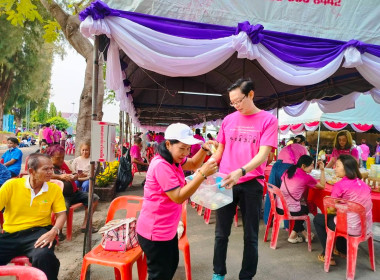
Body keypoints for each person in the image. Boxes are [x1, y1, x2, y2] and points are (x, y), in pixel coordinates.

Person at [210, 78, 278, 280]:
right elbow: (220, 150)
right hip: (225, 181)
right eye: (232, 102)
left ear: (251, 94)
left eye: (239, 100)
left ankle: (246, 275)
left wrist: (241, 171)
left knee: (251, 236)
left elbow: (263, 155)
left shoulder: (268, 120)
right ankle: (218, 273)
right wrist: (205, 168)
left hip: (251, 184)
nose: (236, 105)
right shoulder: (228, 120)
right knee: (221, 233)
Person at [136, 123, 217, 280]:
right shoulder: (162, 165)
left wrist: (204, 149)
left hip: (167, 229)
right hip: (155, 232)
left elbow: (193, 164)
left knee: (171, 265)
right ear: (168, 144)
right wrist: (202, 174)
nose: (185, 153)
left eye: (188, 148)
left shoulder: (173, 159)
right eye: (182, 148)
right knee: (160, 274)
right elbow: (178, 196)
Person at [0, 153, 66, 280]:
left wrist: (54, 231)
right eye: (46, 169)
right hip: (11, 234)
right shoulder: (11, 186)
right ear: (31, 171)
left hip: (38, 233)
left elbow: (61, 214)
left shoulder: (54, 189)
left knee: (44, 257)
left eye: (51, 168)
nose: (50, 172)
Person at [313, 154, 372, 265]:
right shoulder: (364, 185)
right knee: (340, 217)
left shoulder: (340, 185)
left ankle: (327, 254)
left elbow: (330, 208)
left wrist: (337, 208)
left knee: (319, 219)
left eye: (338, 166)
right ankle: (342, 250)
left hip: (350, 226)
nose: (335, 168)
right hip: (365, 227)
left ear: (347, 168)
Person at [46, 145, 99, 236]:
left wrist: (75, 176)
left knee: (94, 198)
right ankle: (59, 231)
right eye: (58, 158)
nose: (61, 160)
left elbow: (74, 173)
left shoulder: (64, 164)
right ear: (51, 157)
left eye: (63, 157)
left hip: (75, 193)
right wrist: (59, 176)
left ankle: (85, 224)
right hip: (61, 197)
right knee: (63, 208)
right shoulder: (47, 166)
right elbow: (46, 176)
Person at [277, 155, 325, 243]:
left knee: (301, 207)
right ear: (303, 166)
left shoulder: (289, 171)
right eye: (311, 165)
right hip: (289, 210)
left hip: (279, 207)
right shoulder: (306, 177)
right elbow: (322, 186)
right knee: (306, 208)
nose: (312, 167)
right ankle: (293, 235)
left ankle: (305, 234)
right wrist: (322, 170)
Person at [263, 134, 308, 224]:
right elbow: (304, 165)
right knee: (289, 194)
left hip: (276, 166)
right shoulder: (303, 148)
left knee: (271, 192)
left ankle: (267, 220)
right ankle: (288, 225)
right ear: (303, 142)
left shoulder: (287, 147)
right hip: (289, 168)